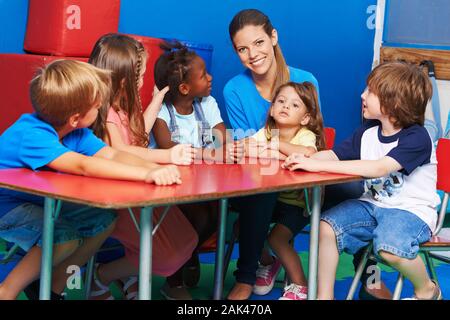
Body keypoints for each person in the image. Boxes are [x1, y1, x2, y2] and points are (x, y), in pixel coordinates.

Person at [0, 59, 182, 300]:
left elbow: (114, 154)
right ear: (75, 118)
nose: (100, 106)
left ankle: (52, 286)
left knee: (103, 220)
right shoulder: (32, 135)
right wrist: (147, 175)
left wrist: (157, 168)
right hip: (7, 207)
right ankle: (7, 290)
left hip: (38, 202)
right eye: (96, 106)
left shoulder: (76, 132)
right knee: (63, 240)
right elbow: (83, 165)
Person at [283, 61, 442, 300]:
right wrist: (306, 158)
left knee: (389, 248)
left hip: (411, 212)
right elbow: (336, 154)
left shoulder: (418, 137)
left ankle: (427, 289)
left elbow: (378, 168)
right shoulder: (367, 131)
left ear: (393, 103)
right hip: (372, 206)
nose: (362, 95)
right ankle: (324, 296)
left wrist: (316, 164)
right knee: (326, 227)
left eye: (370, 91)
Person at [88, 33, 198, 300]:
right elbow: (119, 151)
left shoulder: (123, 109)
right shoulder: (106, 113)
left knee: (187, 240)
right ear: (123, 79)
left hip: (139, 195)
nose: (141, 82)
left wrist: (156, 100)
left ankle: (121, 275)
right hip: (118, 202)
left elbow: (138, 138)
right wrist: (168, 156)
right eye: (139, 76)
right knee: (166, 257)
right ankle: (101, 276)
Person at [223, 8, 321, 300]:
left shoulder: (306, 82)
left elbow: (313, 144)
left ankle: (363, 277)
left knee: (353, 188)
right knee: (261, 187)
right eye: (242, 49)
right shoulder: (235, 89)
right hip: (258, 181)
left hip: (297, 184)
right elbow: (248, 150)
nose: (252, 54)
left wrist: (274, 148)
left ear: (273, 37)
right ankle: (246, 275)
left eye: (258, 43)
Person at [152, 41, 243, 299]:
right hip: (172, 185)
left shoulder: (207, 103)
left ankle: (187, 255)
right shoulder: (163, 111)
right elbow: (167, 145)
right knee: (195, 217)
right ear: (184, 87)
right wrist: (210, 153)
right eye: (204, 75)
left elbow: (221, 137)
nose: (211, 77)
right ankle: (174, 281)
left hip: (204, 183)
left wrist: (222, 148)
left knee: (214, 215)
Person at [244, 81, 325, 300]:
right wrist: (274, 151)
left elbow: (306, 153)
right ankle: (269, 263)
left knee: (277, 239)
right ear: (271, 108)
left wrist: (274, 147)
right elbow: (246, 149)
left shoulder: (305, 134)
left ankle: (300, 284)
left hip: (298, 205)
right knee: (243, 226)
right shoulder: (266, 132)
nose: (285, 106)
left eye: (294, 105)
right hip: (271, 201)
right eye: (280, 101)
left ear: (305, 118)